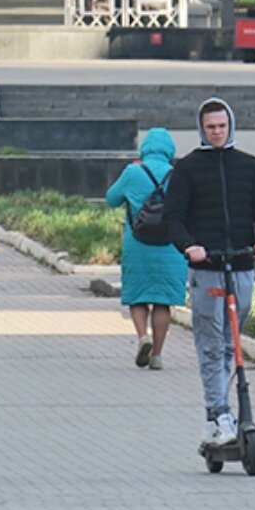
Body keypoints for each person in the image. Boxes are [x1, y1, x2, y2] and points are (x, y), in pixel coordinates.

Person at [162, 97, 255, 447]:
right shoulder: (188, 168)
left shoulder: (249, 166)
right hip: (207, 269)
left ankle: (221, 413)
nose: (216, 132)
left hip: (241, 265)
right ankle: (219, 414)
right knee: (212, 345)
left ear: (231, 126)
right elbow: (172, 218)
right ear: (201, 129)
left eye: (221, 126)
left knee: (232, 344)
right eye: (210, 127)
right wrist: (189, 246)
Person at [105, 128, 187, 370]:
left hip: (138, 244)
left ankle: (143, 337)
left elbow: (111, 199)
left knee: (138, 295)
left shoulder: (133, 172)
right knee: (163, 302)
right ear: (169, 150)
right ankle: (158, 355)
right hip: (171, 246)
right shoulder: (179, 174)